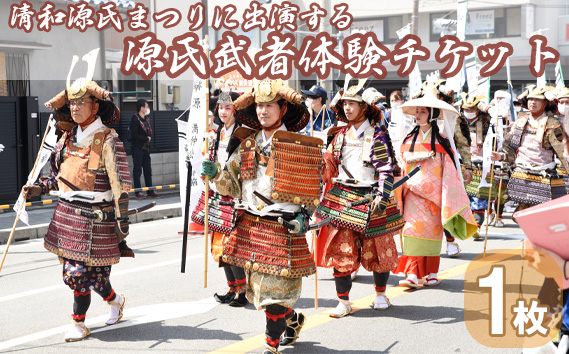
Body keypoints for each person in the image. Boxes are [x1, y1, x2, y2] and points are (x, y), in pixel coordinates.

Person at [201, 79, 319, 354]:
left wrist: (305, 217)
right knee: (259, 292)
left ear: (283, 107)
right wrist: (215, 174)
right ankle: (293, 321)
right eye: (259, 106)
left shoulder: (298, 143)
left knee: (274, 293)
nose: (263, 111)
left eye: (269, 106)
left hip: (282, 226)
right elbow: (232, 185)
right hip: (251, 224)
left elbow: (315, 190)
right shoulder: (248, 144)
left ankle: (271, 346)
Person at [23, 76, 132, 341]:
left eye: (80, 103)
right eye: (71, 103)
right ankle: (116, 300)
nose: (74, 108)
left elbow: (121, 186)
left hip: (95, 220)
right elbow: (58, 176)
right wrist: (40, 188)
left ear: (95, 107)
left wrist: (122, 223)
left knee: (79, 275)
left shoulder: (108, 140)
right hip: (66, 216)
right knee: (90, 276)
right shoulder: (66, 138)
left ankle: (78, 323)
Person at [315, 83, 404, 317]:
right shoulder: (338, 135)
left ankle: (381, 294)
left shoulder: (377, 134)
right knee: (340, 249)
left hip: (371, 195)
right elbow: (329, 168)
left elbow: (385, 169)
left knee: (378, 249)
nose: (347, 108)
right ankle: (343, 301)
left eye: (352, 103)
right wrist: (317, 162)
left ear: (364, 107)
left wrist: (383, 196)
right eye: (344, 103)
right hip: (343, 195)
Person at [393, 85, 478, 288]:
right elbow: (402, 166)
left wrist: (448, 191)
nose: (418, 115)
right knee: (412, 231)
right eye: (417, 112)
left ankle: (431, 271)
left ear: (431, 115)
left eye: (423, 111)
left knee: (431, 234)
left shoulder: (442, 141)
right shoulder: (408, 139)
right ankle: (412, 273)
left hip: (435, 195)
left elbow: (448, 170)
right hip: (412, 193)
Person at [191, 90, 248, 307]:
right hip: (217, 194)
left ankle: (242, 290)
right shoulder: (215, 135)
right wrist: (206, 170)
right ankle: (232, 287)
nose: (223, 111)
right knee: (219, 246)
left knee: (231, 247)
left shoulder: (243, 136)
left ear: (236, 110)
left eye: (228, 107)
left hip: (236, 196)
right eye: (221, 107)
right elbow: (209, 164)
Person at [413, 80, 473, 257]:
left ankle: (450, 239)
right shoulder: (418, 115)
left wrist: (467, 166)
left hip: (445, 163)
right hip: (420, 165)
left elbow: (462, 143)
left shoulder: (452, 116)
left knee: (445, 202)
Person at [491, 86, 569, 216]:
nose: (532, 102)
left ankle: (535, 236)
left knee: (537, 213)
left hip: (543, 173)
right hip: (521, 172)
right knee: (521, 214)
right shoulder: (521, 121)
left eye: (537, 100)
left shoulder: (552, 124)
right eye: (530, 99)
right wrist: (500, 156)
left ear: (545, 103)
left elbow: (562, 153)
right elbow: (510, 147)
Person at [459, 93, 508, 234]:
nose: (468, 112)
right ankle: (466, 226)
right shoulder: (458, 121)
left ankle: (477, 227)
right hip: (461, 163)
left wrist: (487, 108)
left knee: (479, 197)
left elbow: (500, 117)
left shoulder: (487, 120)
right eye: (465, 109)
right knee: (463, 198)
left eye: (471, 109)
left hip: (480, 164)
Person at [130, 98, 162, 199]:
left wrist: (148, 138)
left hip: (146, 148)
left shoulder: (146, 119)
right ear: (142, 108)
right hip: (137, 148)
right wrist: (145, 138)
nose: (148, 108)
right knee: (137, 170)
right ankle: (138, 192)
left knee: (148, 170)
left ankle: (150, 191)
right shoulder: (135, 119)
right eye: (147, 106)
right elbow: (134, 135)